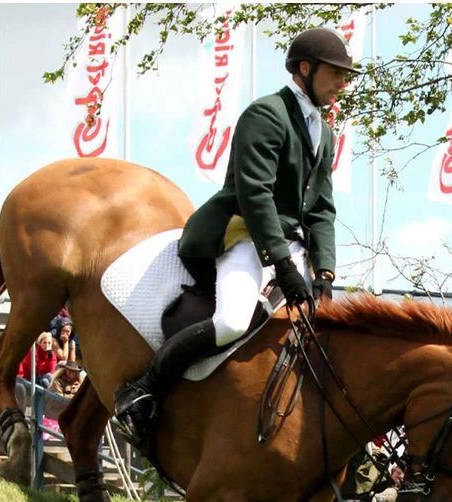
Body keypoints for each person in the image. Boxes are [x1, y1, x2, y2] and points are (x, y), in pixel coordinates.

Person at [114, 28, 359, 444]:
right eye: (336, 73)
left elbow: (321, 208)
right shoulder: (266, 114)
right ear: (305, 68)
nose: (342, 83)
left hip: (291, 243)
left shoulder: (325, 131)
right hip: (244, 232)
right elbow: (255, 195)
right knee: (231, 321)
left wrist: (325, 274)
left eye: (345, 75)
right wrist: (281, 263)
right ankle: (142, 391)